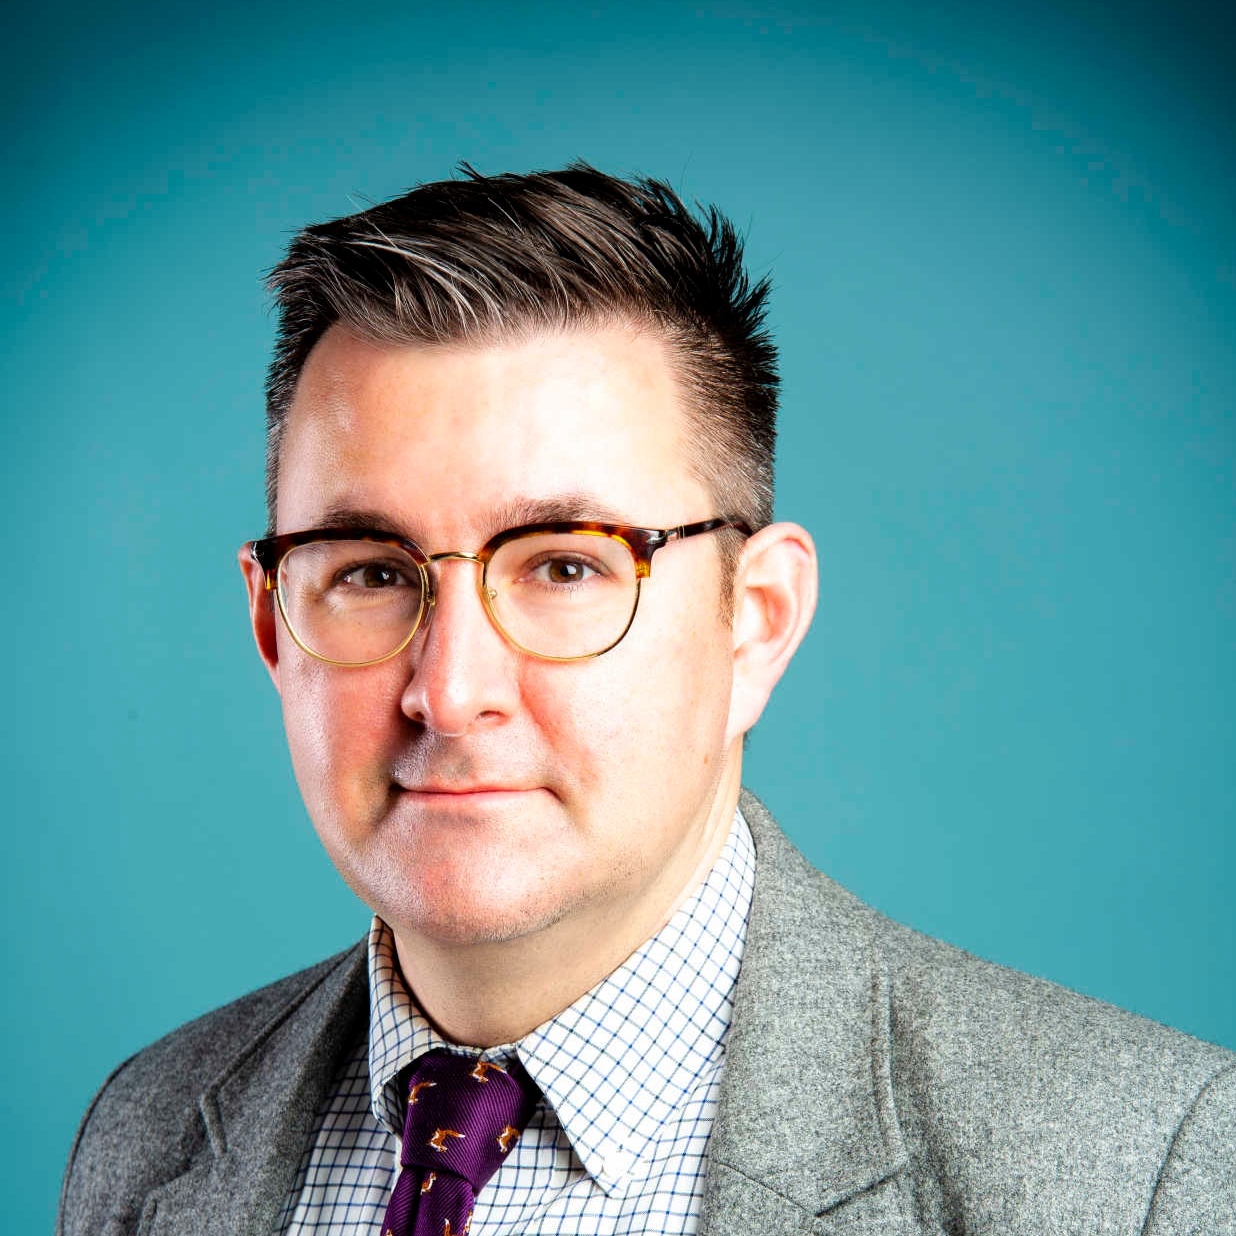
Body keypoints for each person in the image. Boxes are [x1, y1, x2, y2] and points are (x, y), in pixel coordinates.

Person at [59, 165, 1234, 1236]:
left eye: (565, 566)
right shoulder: (147, 1130)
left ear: (756, 619)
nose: (451, 692)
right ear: (272, 623)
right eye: (370, 573)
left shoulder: (1143, 1170)